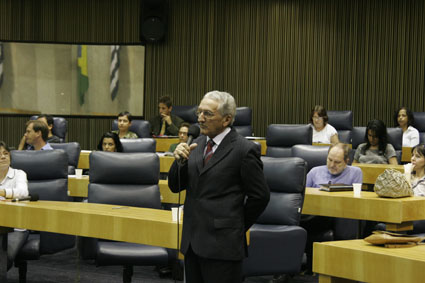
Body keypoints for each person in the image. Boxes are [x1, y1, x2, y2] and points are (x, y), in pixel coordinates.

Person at [168, 91, 269, 283]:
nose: (200, 118)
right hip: (192, 242)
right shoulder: (195, 144)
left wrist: (235, 225)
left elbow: (260, 196)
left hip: (223, 246)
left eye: (207, 114)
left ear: (226, 119)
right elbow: (175, 186)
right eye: (199, 112)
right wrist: (179, 161)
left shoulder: (244, 150)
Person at [303, 143, 363, 273]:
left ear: (347, 161)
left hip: (339, 215)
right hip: (314, 216)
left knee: (348, 217)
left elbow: (356, 201)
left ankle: (343, 267)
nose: (331, 165)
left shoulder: (355, 173)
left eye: (337, 162)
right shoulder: (314, 172)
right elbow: (302, 197)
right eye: (329, 160)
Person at [0, 141, 30, 271]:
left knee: (4, 258)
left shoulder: (19, 174)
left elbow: (23, 193)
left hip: (15, 227)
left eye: (5, 153)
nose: (3, 157)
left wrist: (3, 192)